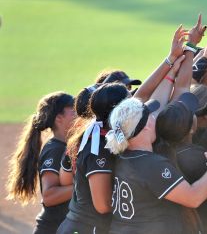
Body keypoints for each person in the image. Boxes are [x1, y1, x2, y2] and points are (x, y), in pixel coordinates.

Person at [105, 97, 207, 234]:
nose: (154, 117)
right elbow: (194, 198)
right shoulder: (152, 165)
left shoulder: (122, 155)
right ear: (146, 125)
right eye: (150, 115)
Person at [57, 83, 130, 234]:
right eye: (129, 104)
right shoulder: (98, 147)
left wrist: (170, 65)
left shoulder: (97, 134)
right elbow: (102, 205)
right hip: (88, 228)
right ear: (117, 111)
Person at [6, 92, 75, 234]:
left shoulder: (64, 146)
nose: (78, 115)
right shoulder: (55, 150)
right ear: (59, 118)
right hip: (52, 229)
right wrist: (82, 188)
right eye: (73, 111)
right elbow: (49, 196)